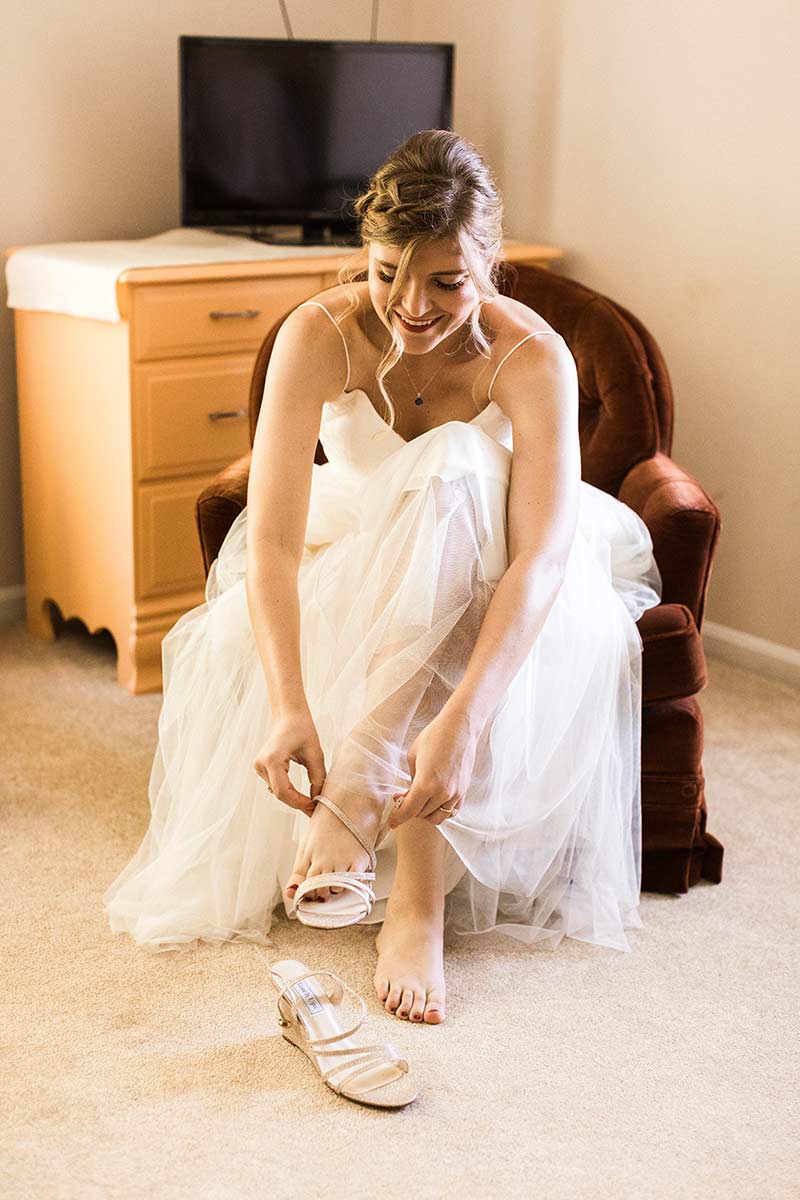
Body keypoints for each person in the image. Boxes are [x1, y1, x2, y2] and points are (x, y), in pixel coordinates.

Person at [103, 129, 662, 1027]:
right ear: (362, 256)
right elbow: (275, 542)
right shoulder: (316, 335)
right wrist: (290, 706)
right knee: (434, 515)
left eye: (447, 280)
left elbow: (540, 557)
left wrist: (468, 718)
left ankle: (387, 849)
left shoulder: (534, 357)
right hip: (352, 547)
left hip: (508, 574)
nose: (411, 306)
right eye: (386, 271)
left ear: (490, 264)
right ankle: (393, 854)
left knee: (458, 477)